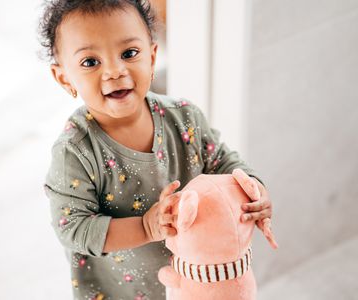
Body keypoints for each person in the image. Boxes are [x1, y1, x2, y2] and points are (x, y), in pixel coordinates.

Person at [39, 1, 276, 299]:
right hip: (121, 292)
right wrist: (145, 228)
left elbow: (222, 161)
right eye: (90, 62)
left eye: (129, 53)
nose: (115, 70)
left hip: (197, 280)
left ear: (151, 56)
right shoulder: (75, 152)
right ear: (64, 78)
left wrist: (253, 188)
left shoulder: (184, 116)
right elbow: (72, 228)